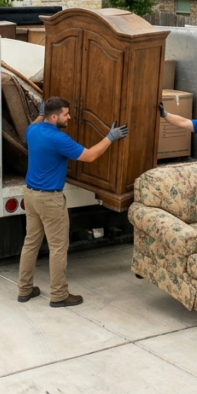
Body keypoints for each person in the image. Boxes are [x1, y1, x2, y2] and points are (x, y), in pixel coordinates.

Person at [17, 96, 128, 308]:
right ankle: (59, 295)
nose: (70, 117)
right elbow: (89, 156)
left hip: (30, 195)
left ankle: (24, 289)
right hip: (50, 199)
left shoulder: (33, 131)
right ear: (54, 116)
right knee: (58, 248)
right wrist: (110, 137)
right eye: (65, 114)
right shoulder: (59, 139)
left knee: (31, 243)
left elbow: (33, 123)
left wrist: (41, 113)